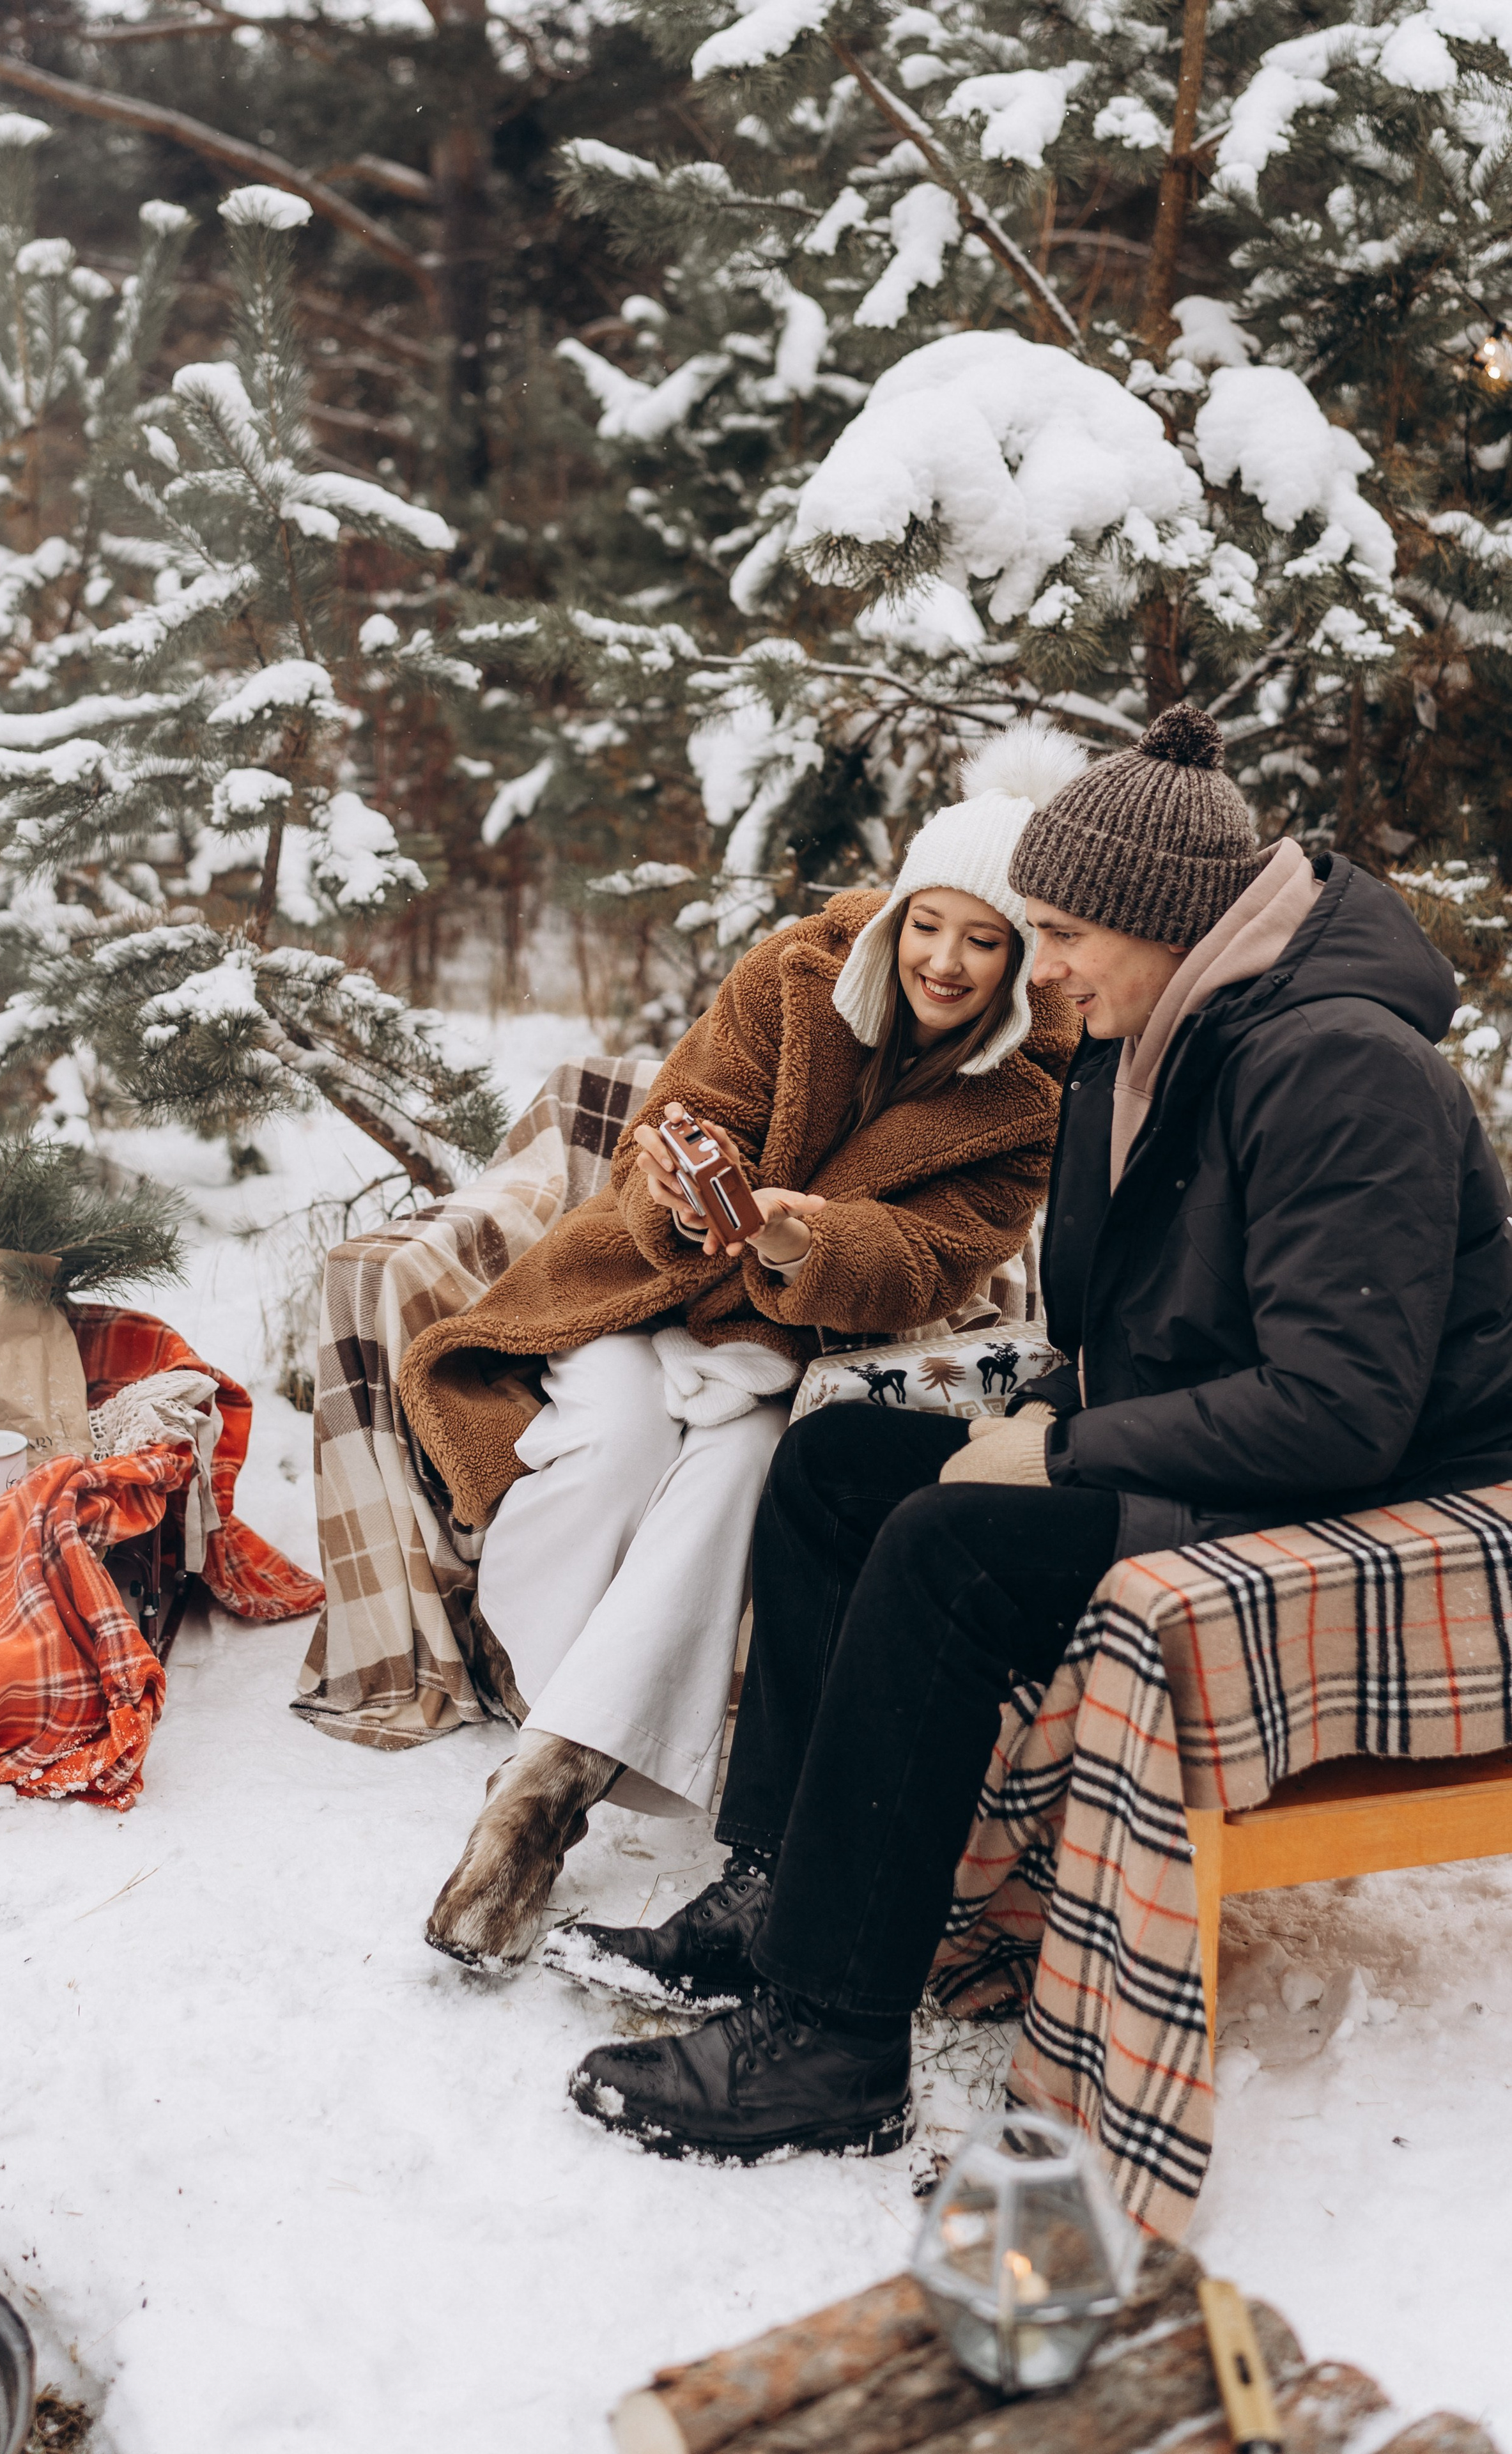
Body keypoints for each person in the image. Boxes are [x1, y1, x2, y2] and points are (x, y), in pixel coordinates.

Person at [562, 700, 1512, 2165]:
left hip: (1369, 1488)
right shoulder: (1145, 1047)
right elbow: (1137, 1324)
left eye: (1059, 935)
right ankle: (780, 1893)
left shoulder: (1338, 1067)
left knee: (950, 1550)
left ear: (1164, 919)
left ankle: (829, 2043)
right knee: (834, 1466)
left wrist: (1062, 1456)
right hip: (1217, 1437)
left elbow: (1338, 1408)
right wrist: (1048, 1412)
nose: (1040, 969)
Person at [397, 723, 1088, 1968]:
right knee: (612, 1447)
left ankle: (540, 1800)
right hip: (642, 1295)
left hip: (790, 1347)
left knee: (733, 1478)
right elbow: (673, 1121)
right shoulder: (791, 977)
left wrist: (806, 1240)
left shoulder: (1029, 1098)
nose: (944, 960)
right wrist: (677, 1187)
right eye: (928, 925)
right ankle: (554, 1702)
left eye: (983, 941)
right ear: (895, 917)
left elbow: (936, 1259)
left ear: (1020, 959)